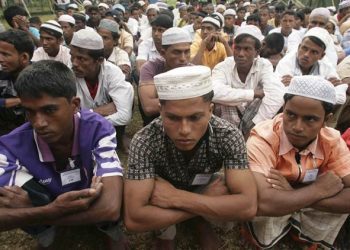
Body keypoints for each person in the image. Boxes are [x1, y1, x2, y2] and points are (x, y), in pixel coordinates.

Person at [124, 65, 257, 249]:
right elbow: (133, 218)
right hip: (164, 188)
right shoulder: (145, 140)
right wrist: (201, 204)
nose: (184, 130)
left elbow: (248, 207)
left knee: (226, 187)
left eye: (195, 118)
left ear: (211, 110)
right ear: (161, 110)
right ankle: (189, 222)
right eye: (173, 118)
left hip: (182, 190)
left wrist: (176, 198)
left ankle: (192, 220)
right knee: (151, 192)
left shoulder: (228, 135)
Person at [0, 60, 125, 249]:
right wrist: (51, 209)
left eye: (49, 110)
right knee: (17, 196)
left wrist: (42, 211)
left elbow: (110, 207)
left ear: (74, 105)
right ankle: (49, 231)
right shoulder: (11, 146)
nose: (39, 123)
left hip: (82, 198)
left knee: (114, 187)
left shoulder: (96, 128)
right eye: (30, 112)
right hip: (64, 201)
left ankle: (104, 229)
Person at [246, 75, 350, 249]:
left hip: (285, 195)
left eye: (310, 119)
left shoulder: (331, 140)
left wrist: (295, 192)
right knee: (259, 207)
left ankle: (301, 235)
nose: (297, 126)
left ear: (326, 119)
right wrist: (317, 190)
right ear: (283, 109)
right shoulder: (263, 138)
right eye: (291, 115)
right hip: (278, 200)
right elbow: (264, 202)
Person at [212, 25, 285, 137]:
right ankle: (229, 137)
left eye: (247, 49)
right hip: (226, 124)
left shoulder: (263, 65)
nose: (241, 54)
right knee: (222, 102)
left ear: (257, 52)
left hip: (253, 122)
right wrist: (252, 94)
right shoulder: (223, 66)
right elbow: (214, 92)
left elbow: (277, 95)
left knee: (270, 98)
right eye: (238, 48)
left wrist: (255, 125)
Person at [70, 29, 134, 152]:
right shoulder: (68, 72)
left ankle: (118, 138)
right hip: (83, 126)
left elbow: (124, 116)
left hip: (83, 124)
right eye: (72, 57)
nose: (74, 63)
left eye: (81, 59)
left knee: (128, 90)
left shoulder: (112, 72)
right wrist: (97, 112)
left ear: (99, 60)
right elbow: (66, 116)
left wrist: (82, 116)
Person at [138, 27, 192, 126]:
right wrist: (189, 97)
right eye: (177, 52)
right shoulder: (150, 68)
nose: (183, 58)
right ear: (163, 53)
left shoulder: (192, 70)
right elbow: (149, 107)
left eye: (187, 52)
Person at [275, 27, 342, 87]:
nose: (306, 54)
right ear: (299, 47)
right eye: (304, 48)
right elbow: (282, 91)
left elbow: (340, 95)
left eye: (314, 52)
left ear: (322, 56)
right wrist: (325, 86)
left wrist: (295, 83)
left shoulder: (326, 66)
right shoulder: (286, 62)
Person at [0, 30, 34, 136]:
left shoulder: (43, 76)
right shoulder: (1, 74)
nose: (0, 59)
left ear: (24, 57)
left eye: (5, 54)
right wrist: (19, 101)